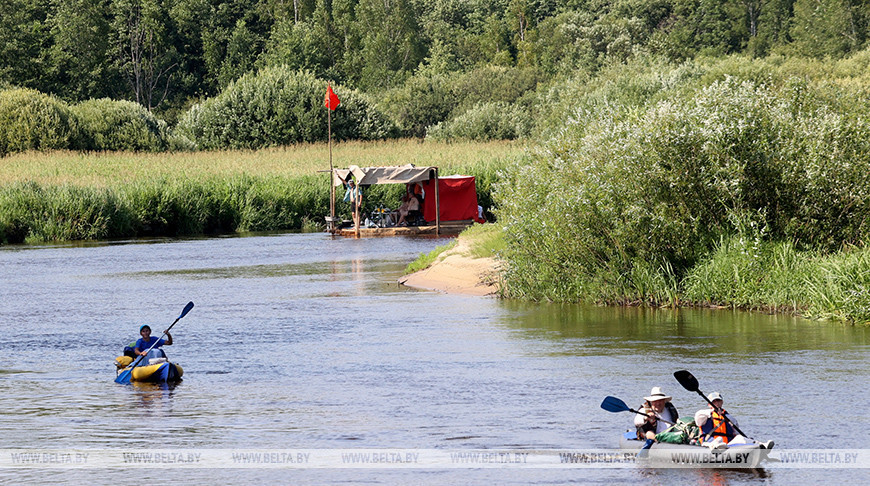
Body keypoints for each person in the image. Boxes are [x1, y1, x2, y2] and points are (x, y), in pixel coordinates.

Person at [694, 392, 774, 449]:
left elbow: (736, 432)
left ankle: (761, 445)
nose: (716, 403)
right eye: (714, 401)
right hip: (709, 443)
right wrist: (713, 411)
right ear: (709, 404)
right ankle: (718, 447)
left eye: (718, 401)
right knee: (719, 439)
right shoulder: (704, 414)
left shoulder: (729, 417)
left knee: (740, 437)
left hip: (728, 445)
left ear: (722, 402)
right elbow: (698, 419)